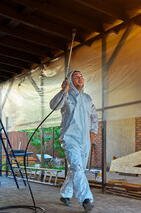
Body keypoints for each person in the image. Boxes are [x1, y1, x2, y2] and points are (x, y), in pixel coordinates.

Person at [50, 70, 98, 212]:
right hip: (70, 138)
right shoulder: (65, 96)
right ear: (70, 81)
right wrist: (62, 91)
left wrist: (93, 133)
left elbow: (94, 117)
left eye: (81, 76)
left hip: (85, 140)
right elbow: (53, 105)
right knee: (77, 168)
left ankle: (65, 194)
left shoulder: (88, 99)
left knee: (77, 169)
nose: (79, 78)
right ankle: (86, 199)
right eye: (76, 76)